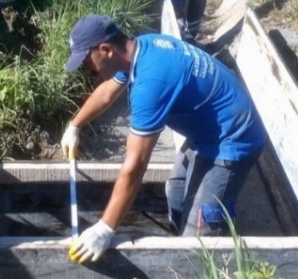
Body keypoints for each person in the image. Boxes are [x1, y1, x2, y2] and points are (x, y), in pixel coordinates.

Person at [61, 15, 267, 263]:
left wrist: (105, 228)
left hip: (233, 138)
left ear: (105, 50)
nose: (87, 69)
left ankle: (202, 257)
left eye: (87, 62)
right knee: (176, 189)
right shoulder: (138, 49)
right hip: (207, 128)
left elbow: (135, 163)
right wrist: (75, 125)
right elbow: (106, 93)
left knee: (202, 228)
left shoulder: (151, 83)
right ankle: (179, 242)